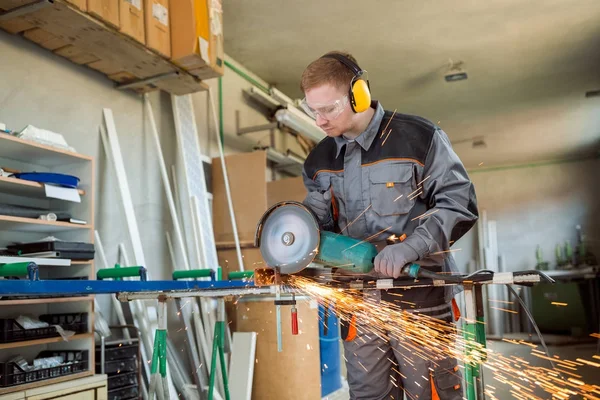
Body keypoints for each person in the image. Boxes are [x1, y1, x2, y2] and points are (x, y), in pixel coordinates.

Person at [300, 51, 479, 400]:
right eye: (312, 110)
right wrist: (293, 246)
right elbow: (317, 222)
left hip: (420, 298)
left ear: (359, 94)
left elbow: (459, 203)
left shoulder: (418, 137)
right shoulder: (320, 159)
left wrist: (410, 247)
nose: (319, 120)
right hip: (358, 301)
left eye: (328, 108)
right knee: (369, 395)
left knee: (429, 392)